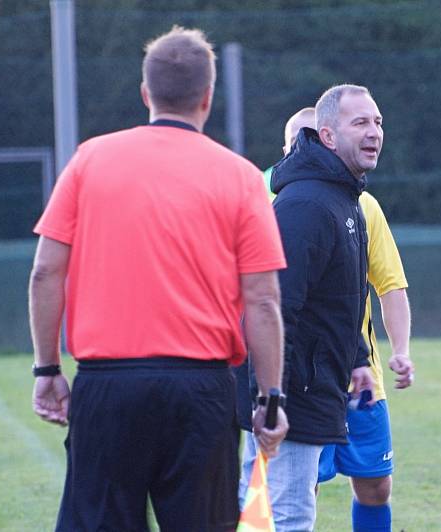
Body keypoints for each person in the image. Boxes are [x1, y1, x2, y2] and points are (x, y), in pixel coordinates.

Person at [28, 26, 288, 532]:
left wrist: (46, 370)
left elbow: (45, 271)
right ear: (207, 98)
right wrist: (269, 399)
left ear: (146, 93)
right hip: (200, 390)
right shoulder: (238, 175)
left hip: (108, 387)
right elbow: (263, 301)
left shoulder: (90, 160)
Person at [239, 84, 382, 531]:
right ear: (327, 136)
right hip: (292, 390)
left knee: (270, 510)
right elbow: (276, 305)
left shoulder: (344, 198)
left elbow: (338, 298)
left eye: (377, 122)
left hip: (314, 384)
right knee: (287, 515)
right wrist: (272, 396)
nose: (374, 132)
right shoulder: (306, 205)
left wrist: (358, 359)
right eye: (359, 122)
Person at [275, 106, 415, 531]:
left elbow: (388, 285)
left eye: (379, 122)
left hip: (357, 374)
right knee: (298, 488)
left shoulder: (362, 204)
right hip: (300, 380)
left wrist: (398, 351)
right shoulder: (282, 204)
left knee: (375, 485)